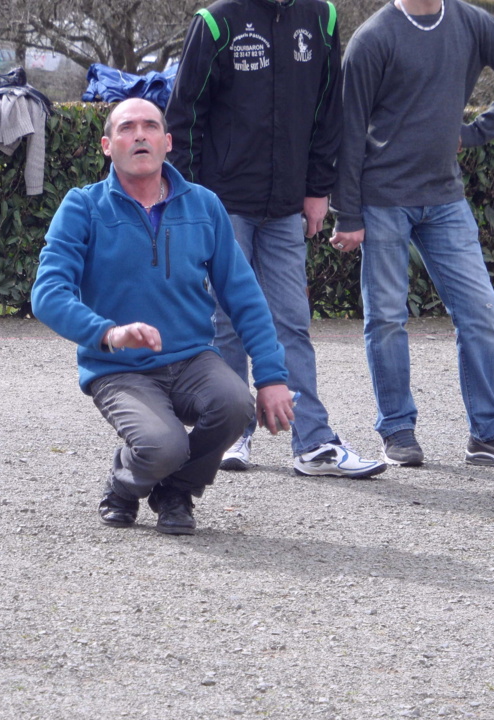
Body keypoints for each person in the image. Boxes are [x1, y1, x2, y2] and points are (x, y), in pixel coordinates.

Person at [31, 99, 296, 535]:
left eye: (151, 126)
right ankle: (122, 485)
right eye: (127, 128)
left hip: (193, 359)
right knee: (164, 444)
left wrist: (271, 376)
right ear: (106, 145)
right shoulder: (82, 207)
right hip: (119, 369)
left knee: (235, 406)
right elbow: (47, 294)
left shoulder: (204, 206)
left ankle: (176, 491)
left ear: (167, 142)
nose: (140, 135)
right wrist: (110, 333)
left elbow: (244, 296)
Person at [165, 0, 386, 479]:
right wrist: (184, 200)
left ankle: (313, 442)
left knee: (291, 320)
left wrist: (317, 188)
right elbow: (183, 117)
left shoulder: (322, 16)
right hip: (222, 205)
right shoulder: (215, 21)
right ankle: (228, 432)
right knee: (225, 320)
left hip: (287, 205)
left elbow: (330, 112)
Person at [331, 0, 494, 469]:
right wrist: (346, 212)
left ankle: (489, 434)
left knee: (480, 311)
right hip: (383, 198)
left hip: (445, 198)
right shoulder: (373, 38)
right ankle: (396, 429)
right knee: (387, 318)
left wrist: (476, 131)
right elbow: (348, 130)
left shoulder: (470, 21)